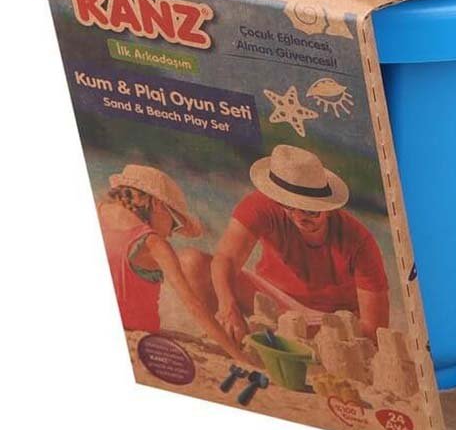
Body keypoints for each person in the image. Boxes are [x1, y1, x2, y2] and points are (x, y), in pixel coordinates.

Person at [211, 145, 389, 345]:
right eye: (289, 206)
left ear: (329, 209)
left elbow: (374, 328)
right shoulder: (262, 205)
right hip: (272, 301)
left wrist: (312, 331)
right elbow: (225, 258)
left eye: (309, 211)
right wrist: (227, 306)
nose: (298, 218)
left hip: (327, 320)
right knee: (192, 263)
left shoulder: (359, 241)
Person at [96, 164, 249, 364]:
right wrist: (239, 357)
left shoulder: (98, 211)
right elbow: (195, 307)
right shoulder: (154, 243)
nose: (171, 234)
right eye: (175, 223)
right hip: (140, 329)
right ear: (157, 204)